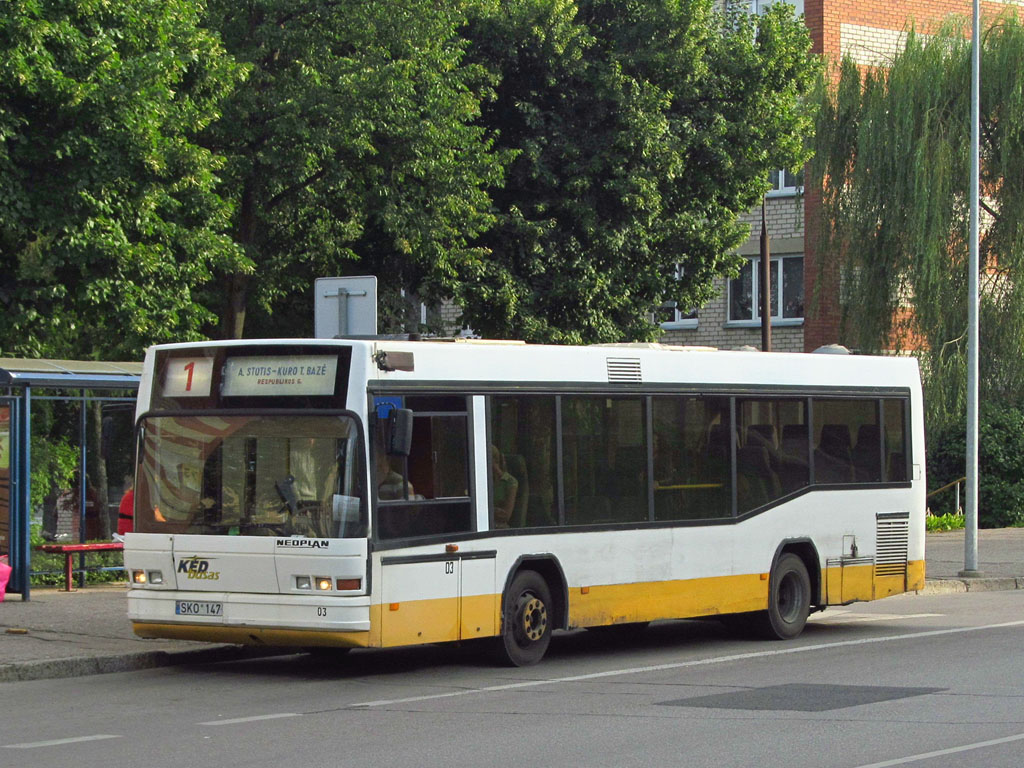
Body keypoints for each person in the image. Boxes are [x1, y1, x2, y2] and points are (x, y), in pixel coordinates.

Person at [490, 445, 519, 528]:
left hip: (500, 529)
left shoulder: (510, 481)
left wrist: (490, 510)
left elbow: (505, 515)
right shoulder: (479, 480)